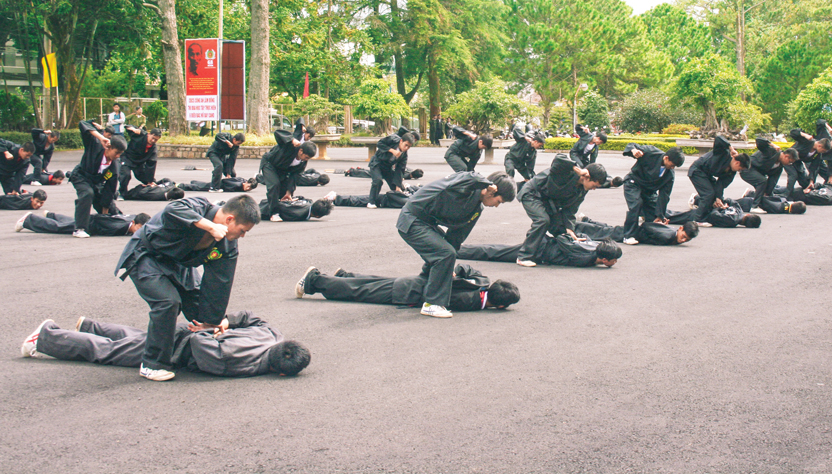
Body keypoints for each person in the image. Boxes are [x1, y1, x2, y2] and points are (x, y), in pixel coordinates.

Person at [113, 194, 261, 381]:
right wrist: (209, 226)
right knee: (168, 302)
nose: (242, 235)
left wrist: (211, 321)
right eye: (242, 230)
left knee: (202, 312)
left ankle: (191, 351)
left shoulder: (228, 246)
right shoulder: (199, 206)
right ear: (229, 219)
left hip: (176, 263)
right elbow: (172, 209)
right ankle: (152, 364)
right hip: (145, 255)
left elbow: (220, 283)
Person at [21, 311, 310, 378]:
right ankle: (46, 337)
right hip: (180, 345)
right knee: (107, 352)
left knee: (135, 337)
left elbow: (251, 317)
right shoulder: (241, 363)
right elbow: (199, 347)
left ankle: (89, 326)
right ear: (281, 372)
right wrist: (217, 333)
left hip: (190, 330)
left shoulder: (273, 334)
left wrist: (225, 321)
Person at [396, 171, 516, 318]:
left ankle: (427, 279)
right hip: (412, 219)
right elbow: (466, 175)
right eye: (499, 202)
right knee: (445, 253)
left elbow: (456, 238)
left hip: (426, 224)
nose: (497, 206)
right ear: (492, 192)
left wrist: (447, 269)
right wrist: (485, 183)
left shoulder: (476, 209)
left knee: (448, 250)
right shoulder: (466, 188)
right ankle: (432, 304)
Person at [295, 264, 519, 312]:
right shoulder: (471, 302)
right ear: (499, 305)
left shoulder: (482, 282)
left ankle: (344, 276)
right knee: (360, 292)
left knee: (369, 283)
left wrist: (456, 271)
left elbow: (468, 269)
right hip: (408, 293)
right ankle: (314, 281)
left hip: (413, 284)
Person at [516, 153, 607, 267]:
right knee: (543, 220)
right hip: (532, 194)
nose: (594, 189)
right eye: (595, 185)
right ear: (587, 177)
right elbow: (559, 158)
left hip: (548, 201)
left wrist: (569, 228)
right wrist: (576, 168)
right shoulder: (568, 171)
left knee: (562, 230)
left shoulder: (583, 189)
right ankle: (524, 256)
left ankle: (551, 252)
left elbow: (570, 210)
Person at [68, 120, 126, 238]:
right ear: (109, 147)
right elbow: (82, 124)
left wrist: (104, 215)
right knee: (87, 194)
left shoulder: (114, 167)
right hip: (81, 176)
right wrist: (100, 137)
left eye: (120, 154)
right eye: (116, 153)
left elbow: (109, 191)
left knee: (111, 211)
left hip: (95, 182)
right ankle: (79, 228)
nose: (118, 156)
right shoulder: (94, 145)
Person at [620, 143, 685, 245]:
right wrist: (633, 151)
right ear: (666, 158)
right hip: (633, 183)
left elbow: (664, 195)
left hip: (648, 191)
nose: (672, 168)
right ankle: (628, 235)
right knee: (636, 204)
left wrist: (660, 215)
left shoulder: (670, 175)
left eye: (674, 167)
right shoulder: (651, 152)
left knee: (653, 217)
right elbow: (631, 145)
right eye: (672, 165)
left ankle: (643, 234)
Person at [686, 135, 749, 226]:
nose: (739, 171)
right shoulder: (723, 153)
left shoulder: (731, 172)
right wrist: (731, 148)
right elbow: (719, 138)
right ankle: (697, 219)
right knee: (708, 194)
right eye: (740, 168)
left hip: (706, 175)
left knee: (715, 196)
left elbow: (721, 185)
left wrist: (718, 198)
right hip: (697, 171)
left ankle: (696, 200)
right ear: (737, 162)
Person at [257, 129, 317, 221]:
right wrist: (291, 139)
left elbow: (295, 176)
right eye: (306, 157)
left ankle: (262, 209)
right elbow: (277, 133)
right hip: (269, 164)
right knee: (274, 185)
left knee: (283, 193)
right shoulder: (290, 146)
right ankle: (274, 213)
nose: (306, 160)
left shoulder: (302, 162)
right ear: (301, 151)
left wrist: (289, 192)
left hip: (281, 170)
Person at [458, 235, 623, 268]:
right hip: (539, 250)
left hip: (542, 247)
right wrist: (573, 238)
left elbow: (584, 238)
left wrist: (575, 238)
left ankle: (459, 249)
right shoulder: (585, 257)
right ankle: (458, 250)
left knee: (496, 251)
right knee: (494, 252)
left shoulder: (592, 250)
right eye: (613, 259)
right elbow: (562, 240)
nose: (614, 262)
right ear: (603, 258)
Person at [739, 139, 798, 215]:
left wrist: (768, 194)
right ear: (786, 156)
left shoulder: (779, 167)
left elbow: (772, 181)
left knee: (766, 188)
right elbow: (759, 141)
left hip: (757, 173)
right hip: (747, 169)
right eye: (790, 162)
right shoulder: (772, 152)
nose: (789, 164)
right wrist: (772, 145)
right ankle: (754, 207)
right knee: (762, 181)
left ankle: (750, 194)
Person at [573, 215, 699, 246]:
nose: (682, 240)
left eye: (686, 240)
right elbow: (647, 227)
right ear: (681, 228)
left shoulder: (671, 231)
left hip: (632, 230)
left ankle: (585, 220)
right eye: (684, 236)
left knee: (606, 229)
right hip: (633, 232)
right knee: (601, 232)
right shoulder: (668, 236)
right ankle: (575, 226)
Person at [366, 131, 415, 209]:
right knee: (378, 181)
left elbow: (400, 169)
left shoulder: (404, 155)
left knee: (397, 188)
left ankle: (392, 201)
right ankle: (371, 202)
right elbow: (379, 143)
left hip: (387, 167)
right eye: (405, 145)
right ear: (401, 141)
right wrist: (392, 150)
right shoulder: (393, 139)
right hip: (377, 163)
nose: (406, 148)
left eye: (409, 147)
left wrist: (398, 185)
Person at [17, 211, 150, 236]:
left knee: (69, 222)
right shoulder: (121, 226)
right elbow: (102, 222)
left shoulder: (133, 218)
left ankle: (51, 215)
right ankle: (29, 220)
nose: (140, 232)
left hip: (93, 220)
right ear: (134, 223)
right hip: (91, 224)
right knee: (60, 228)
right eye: (139, 228)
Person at [118, 125, 161, 198]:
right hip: (127, 158)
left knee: (147, 179)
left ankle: (160, 186)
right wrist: (135, 129)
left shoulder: (153, 149)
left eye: (156, 140)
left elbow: (151, 165)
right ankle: (122, 193)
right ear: (149, 134)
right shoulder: (139, 135)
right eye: (152, 138)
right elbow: (127, 127)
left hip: (139, 163)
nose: (153, 141)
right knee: (126, 175)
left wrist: (150, 181)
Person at [323, 186, 416, 209]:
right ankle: (336, 197)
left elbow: (390, 194)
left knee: (358, 200)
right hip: (381, 200)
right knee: (358, 199)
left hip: (381, 200)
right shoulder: (411, 200)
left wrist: (399, 192)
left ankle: (335, 198)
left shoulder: (408, 201)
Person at [738, 188, 808, 215]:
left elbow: (765, 202)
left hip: (749, 203)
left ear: (794, 203)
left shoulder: (780, 206)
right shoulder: (783, 207)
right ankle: (751, 194)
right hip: (750, 202)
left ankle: (750, 194)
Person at [258, 197, 333, 222]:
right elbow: (280, 206)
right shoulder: (298, 215)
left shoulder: (308, 202)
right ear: (318, 216)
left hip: (269, 202)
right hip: (264, 210)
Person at [178, 177, 258, 193]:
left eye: (250, 189)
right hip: (219, 185)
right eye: (248, 186)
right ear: (246, 182)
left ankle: (194, 181)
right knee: (199, 188)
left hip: (219, 184)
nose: (247, 189)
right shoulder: (238, 185)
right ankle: (181, 185)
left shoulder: (241, 180)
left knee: (203, 185)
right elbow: (226, 183)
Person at [343, 166, 424, 181]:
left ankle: (357, 170)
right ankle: (352, 171)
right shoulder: (407, 175)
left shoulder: (409, 169)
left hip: (388, 168)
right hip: (386, 173)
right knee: (368, 174)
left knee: (369, 172)